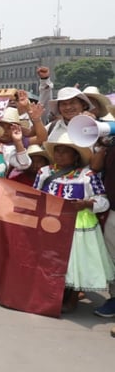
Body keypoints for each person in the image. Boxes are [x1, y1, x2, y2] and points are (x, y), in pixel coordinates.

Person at [33, 133, 115, 313]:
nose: (60, 155)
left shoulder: (87, 175)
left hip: (78, 227)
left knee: (74, 262)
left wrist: (86, 204)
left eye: (65, 151)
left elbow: (103, 201)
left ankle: (71, 298)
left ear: (76, 155)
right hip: (49, 224)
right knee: (50, 260)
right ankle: (51, 294)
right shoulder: (44, 172)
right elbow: (34, 195)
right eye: (57, 151)